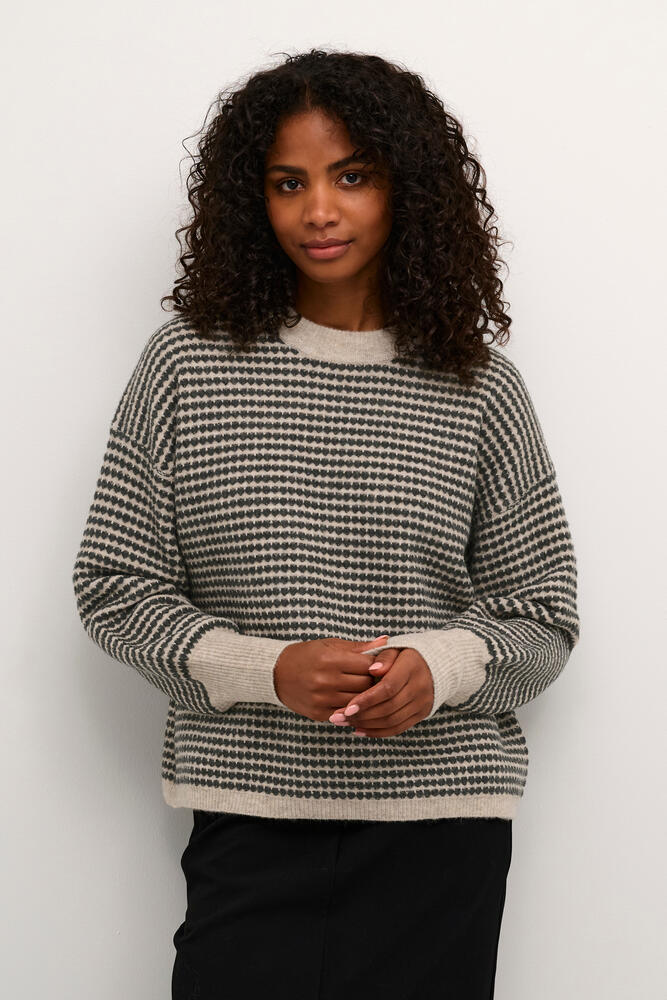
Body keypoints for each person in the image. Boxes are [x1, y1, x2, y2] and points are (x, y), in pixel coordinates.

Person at [72, 48, 580, 1000]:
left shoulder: (479, 388)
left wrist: (438, 668)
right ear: (250, 200)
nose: (317, 211)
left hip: (441, 827)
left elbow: (543, 618)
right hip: (249, 819)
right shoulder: (188, 363)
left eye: (351, 177)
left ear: (407, 190)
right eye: (287, 182)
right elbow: (114, 589)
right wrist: (265, 670)